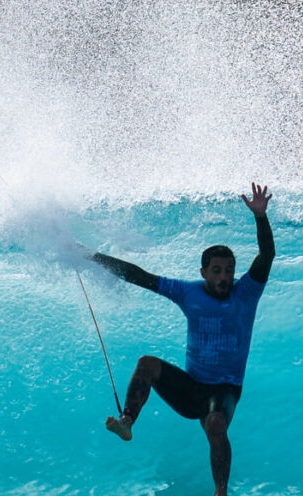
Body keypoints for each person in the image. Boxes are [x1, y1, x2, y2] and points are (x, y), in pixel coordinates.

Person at [90, 182, 274, 496]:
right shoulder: (188, 291)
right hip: (192, 389)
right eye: (216, 271)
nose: (224, 277)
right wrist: (92, 258)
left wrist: (260, 217)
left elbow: (267, 253)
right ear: (203, 272)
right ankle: (127, 422)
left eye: (229, 271)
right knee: (146, 364)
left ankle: (220, 492)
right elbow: (140, 276)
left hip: (225, 389)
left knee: (216, 424)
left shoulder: (247, 291)